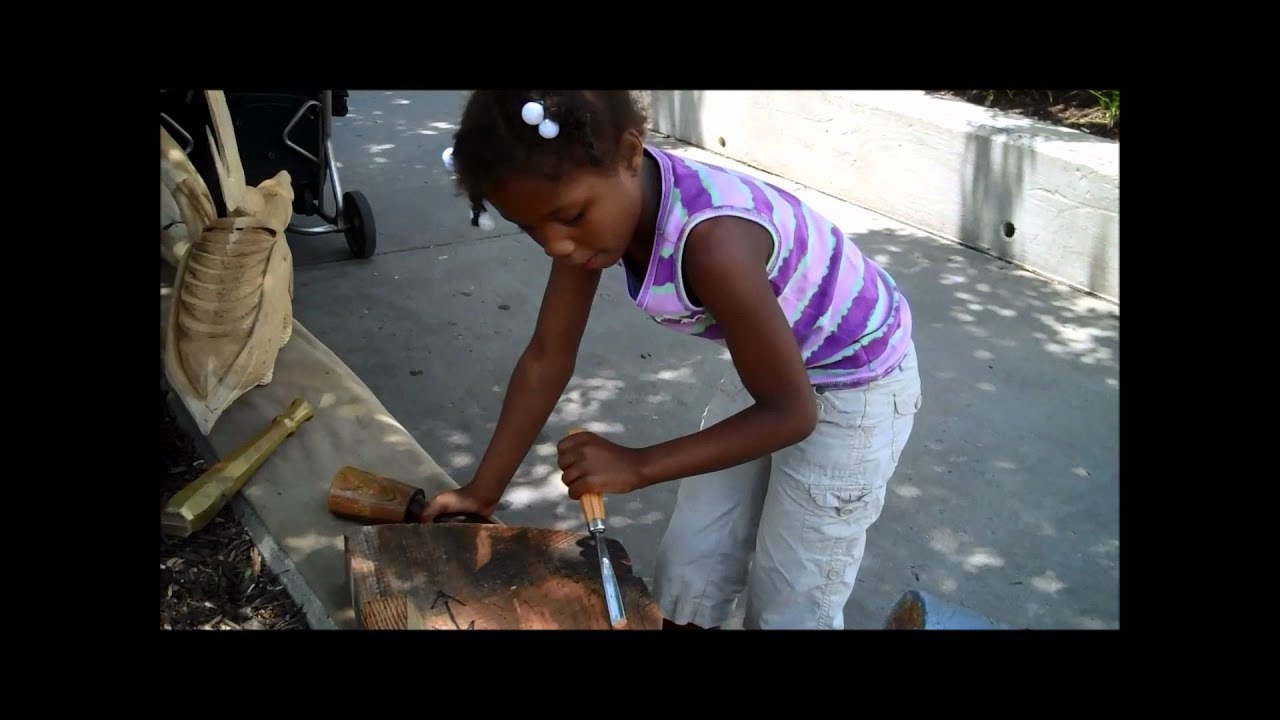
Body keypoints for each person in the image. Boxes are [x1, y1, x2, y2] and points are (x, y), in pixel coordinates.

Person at [421, 91, 923, 630]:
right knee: (693, 557)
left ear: (631, 154)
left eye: (567, 218)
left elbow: (791, 414)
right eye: (532, 229)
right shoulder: (588, 218)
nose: (556, 247)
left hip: (855, 385)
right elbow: (547, 356)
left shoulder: (714, 242)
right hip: (775, 363)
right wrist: (482, 491)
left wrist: (637, 465)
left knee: (792, 590)